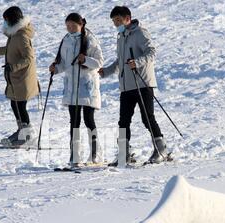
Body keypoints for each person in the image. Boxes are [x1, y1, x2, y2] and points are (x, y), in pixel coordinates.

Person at [99, 6, 170, 164]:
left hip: (142, 83)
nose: (116, 24)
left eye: (118, 20)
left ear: (128, 18)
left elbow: (152, 52)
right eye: (114, 21)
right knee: (123, 121)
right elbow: (120, 62)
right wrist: (106, 71)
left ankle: (161, 149)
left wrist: (136, 63)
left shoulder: (140, 33)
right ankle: (124, 153)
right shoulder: (121, 36)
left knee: (147, 118)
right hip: (126, 86)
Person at [49, 13, 104, 165]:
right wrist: (56, 68)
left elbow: (99, 62)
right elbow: (64, 64)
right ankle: (75, 155)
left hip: (87, 86)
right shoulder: (65, 40)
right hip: (71, 88)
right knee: (74, 121)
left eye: (73, 25)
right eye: (68, 26)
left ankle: (95, 154)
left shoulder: (89, 39)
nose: (70, 28)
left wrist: (85, 59)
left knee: (88, 119)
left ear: (80, 25)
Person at [0, 6, 39, 146]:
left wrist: (13, 67)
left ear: (13, 20)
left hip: (23, 78)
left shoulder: (21, 36)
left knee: (20, 105)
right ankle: (22, 130)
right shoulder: (15, 35)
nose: (4, 23)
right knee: (15, 104)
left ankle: (28, 135)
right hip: (17, 78)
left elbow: (29, 57)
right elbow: (11, 50)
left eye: (6, 20)